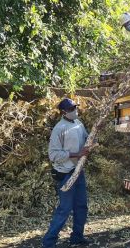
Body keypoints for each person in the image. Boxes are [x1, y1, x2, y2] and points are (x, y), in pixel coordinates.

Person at [42, 98, 90, 248]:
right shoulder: (59, 128)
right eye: (71, 109)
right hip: (66, 173)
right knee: (65, 209)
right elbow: (53, 155)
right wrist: (77, 154)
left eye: (75, 107)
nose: (75, 110)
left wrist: (91, 140)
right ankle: (48, 242)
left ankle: (77, 237)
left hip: (78, 171)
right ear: (64, 112)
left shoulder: (78, 123)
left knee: (81, 206)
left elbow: (86, 139)